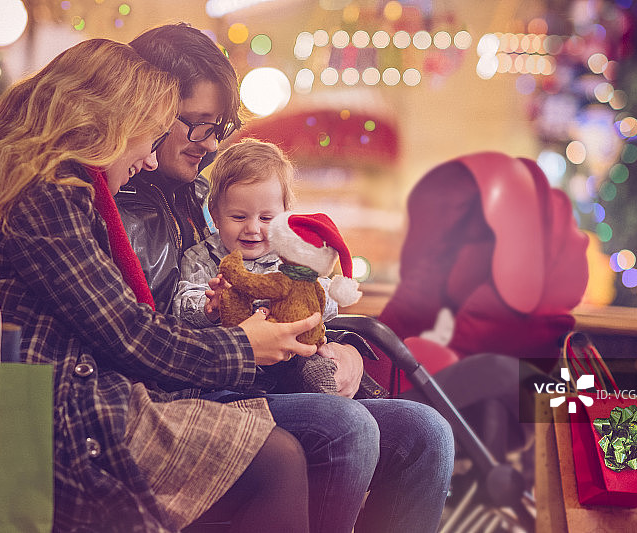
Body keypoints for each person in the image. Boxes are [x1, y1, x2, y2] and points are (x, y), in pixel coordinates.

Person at [0, 38, 320, 532]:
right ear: (110, 123)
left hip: (66, 393)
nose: (147, 159)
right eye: (151, 134)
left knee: (282, 451)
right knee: (279, 457)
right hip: (53, 412)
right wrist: (244, 346)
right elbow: (129, 332)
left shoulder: (42, 184)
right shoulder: (48, 195)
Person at [118, 23, 455, 533]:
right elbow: (143, 337)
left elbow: (298, 297)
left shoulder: (193, 195)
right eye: (199, 125)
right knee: (348, 429)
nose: (209, 144)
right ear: (152, 109)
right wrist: (231, 330)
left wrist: (340, 351)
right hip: (204, 392)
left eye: (217, 127)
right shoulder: (125, 208)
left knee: (427, 431)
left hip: (272, 372)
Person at [173, 138, 344, 394]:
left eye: (266, 218)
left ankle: (329, 400)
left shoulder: (291, 256)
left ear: (286, 216)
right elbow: (182, 305)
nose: (252, 228)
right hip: (233, 369)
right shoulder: (201, 257)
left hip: (294, 358)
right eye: (238, 217)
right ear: (216, 214)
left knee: (318, 366)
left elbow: (329, 302)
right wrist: (210, 308)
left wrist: (308, 294)